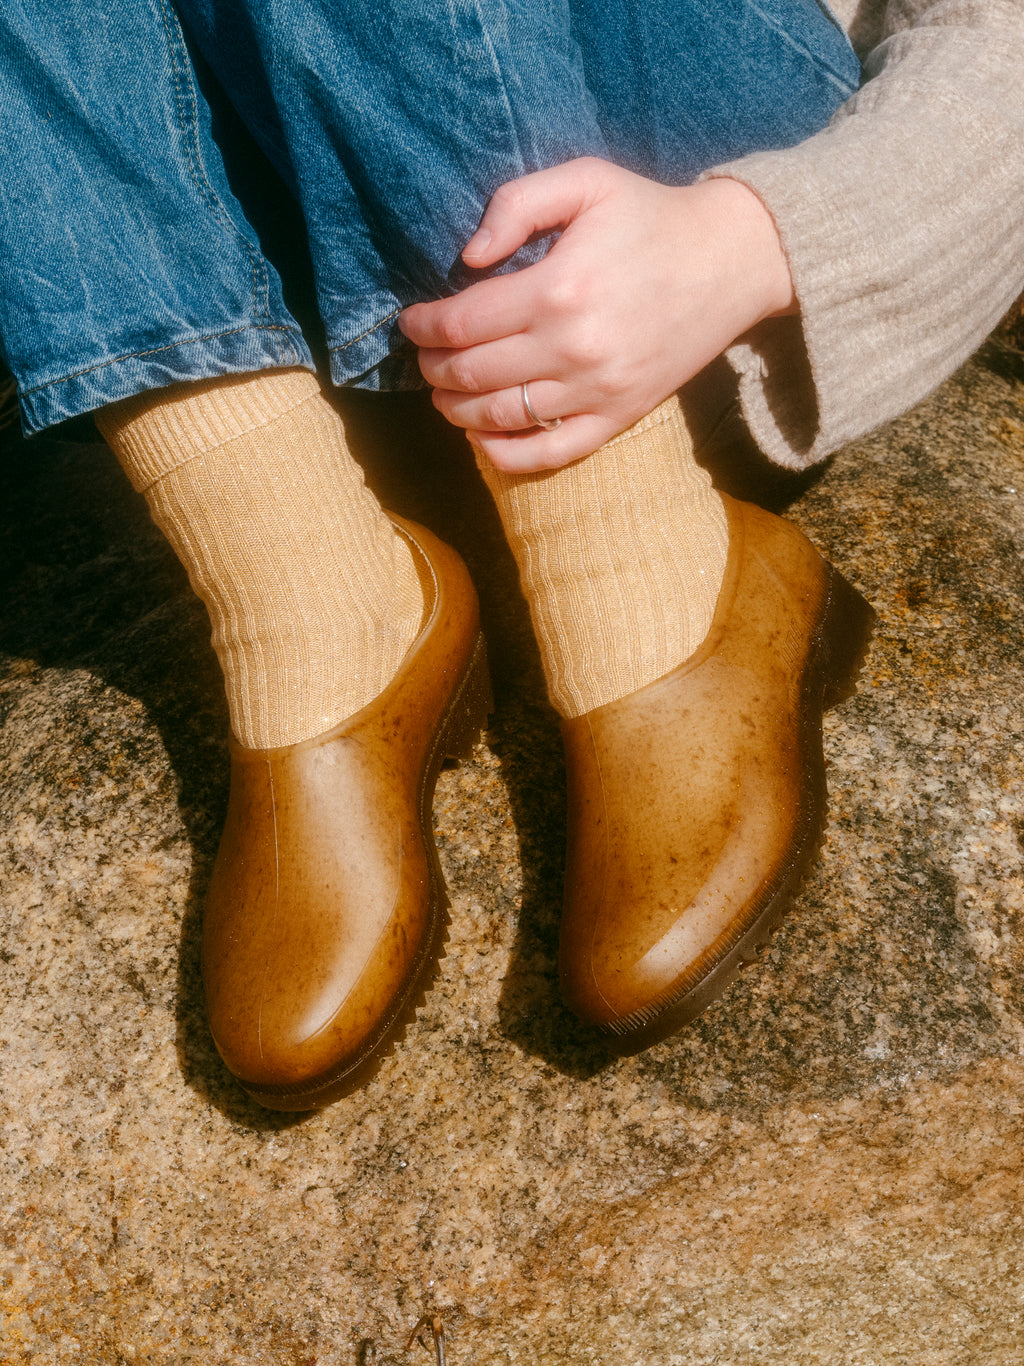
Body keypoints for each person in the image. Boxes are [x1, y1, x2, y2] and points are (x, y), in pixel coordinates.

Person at [1, 0, 1021, 1109]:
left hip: (660, 191)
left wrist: (748, 246)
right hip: (286, 240)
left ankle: (627, 547)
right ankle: (302, 581)